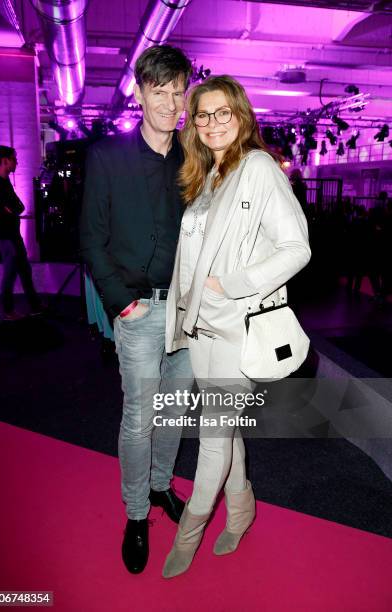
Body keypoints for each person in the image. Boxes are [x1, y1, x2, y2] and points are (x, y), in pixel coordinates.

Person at [164, 75, 311, 578]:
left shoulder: (258, 168)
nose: (211, 123)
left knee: (211, 435)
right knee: (225, 433)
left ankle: (190, 531)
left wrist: (233, 284)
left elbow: (297, 248)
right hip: (201, 328)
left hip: (235, 328)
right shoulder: (209, 174)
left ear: (241, 115)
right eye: (202, 115)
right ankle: (242, 509)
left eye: (222, 112)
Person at [80, 45, 193, 574]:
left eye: (179, 91)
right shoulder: (107, 156)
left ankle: (160, 486)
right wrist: (121, 304)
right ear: (141, 91)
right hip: (140, 312)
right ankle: (134, 514)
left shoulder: (193, 159)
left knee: (171, 412)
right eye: (161, 90)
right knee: (138, 419)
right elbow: (91, 240)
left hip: (188, 314)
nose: (171, 102)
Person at [0, 146, 42, 319]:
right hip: (4, 235)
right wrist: (6, 210)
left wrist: (9, 209)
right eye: (14, 159)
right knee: (11, 271)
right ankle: (8, 310)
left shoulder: (3, 182)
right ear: (5, 161)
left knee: (24, 270)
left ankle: (35, 306)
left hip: (12, 234)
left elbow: (17, 207)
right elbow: (12, 207)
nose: (17, 162)